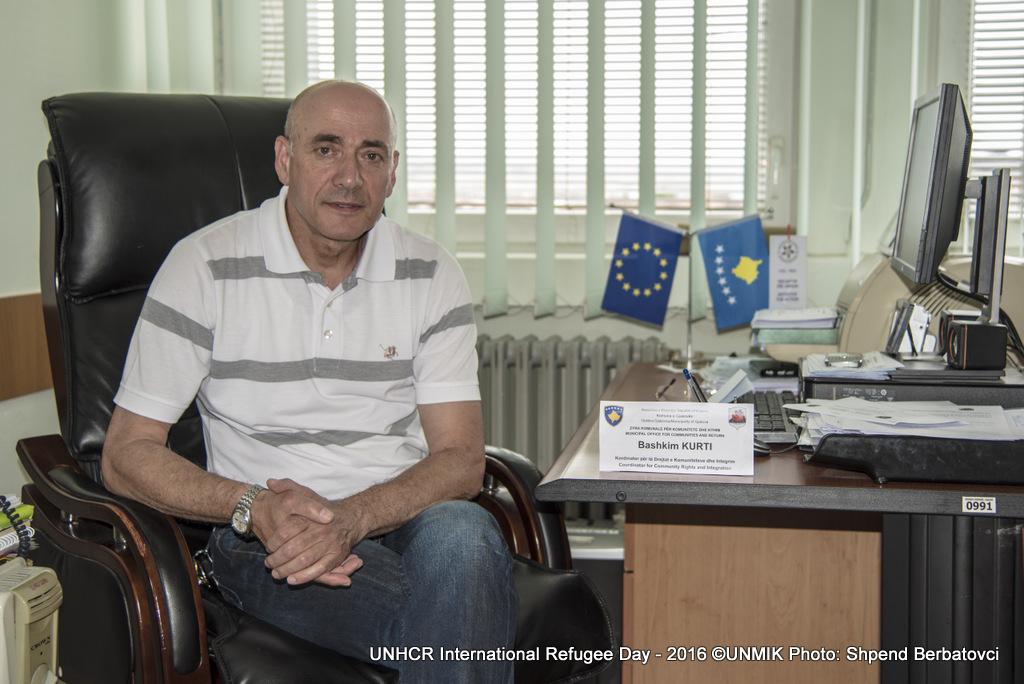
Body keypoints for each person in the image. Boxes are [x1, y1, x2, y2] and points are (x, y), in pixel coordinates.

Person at [101, 80, 517, 683]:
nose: (350, 176)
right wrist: (251, 505)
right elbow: (125, 454)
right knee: (466, 618)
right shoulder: (204, 266)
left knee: (465, 531)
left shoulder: (431, 273)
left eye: (371, 154)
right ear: (283, 160)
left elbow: (459, 460)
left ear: (392, 172)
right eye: (326, 149)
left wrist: (350, 519)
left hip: (400, 518)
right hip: (263, 537)